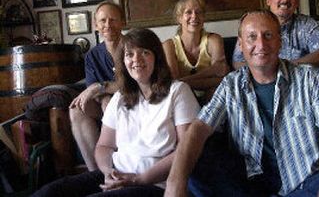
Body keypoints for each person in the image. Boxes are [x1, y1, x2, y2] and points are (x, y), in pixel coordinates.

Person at [165, 10, 319, 197]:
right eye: (251, 37)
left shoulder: (311, 79)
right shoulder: (230, 84)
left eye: (268, 35)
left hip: (306, 182)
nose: (261, 44)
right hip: (249, 186)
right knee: (195, 168)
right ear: (240, 45)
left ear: (280, 42)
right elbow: (198, 129)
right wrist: (174, 184)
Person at [32, 28, 200, 197]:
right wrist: (108, 172)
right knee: (47, 193)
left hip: (155, 184)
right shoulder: (120, 97)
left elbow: (185, 151)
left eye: (145, 52)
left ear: (157, 57)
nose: (136, 59)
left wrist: (138, 180)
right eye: (129, 54)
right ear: (123, 61)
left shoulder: (178, 91)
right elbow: (104, 146)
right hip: (116, 175)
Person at [232, 0, 319, 89]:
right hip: (264, 83)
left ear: (297, 1)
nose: (285, 0)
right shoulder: (251, 24)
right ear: (268, 0)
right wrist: (269, 71)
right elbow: (238, 62)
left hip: (301, 85)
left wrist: (290, 67)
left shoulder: (306, 24)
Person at [69, 0, 125, 171]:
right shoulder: (92, 55)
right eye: (103, 21)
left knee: (109, 103)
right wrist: (101, 92)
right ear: (96, 24)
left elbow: (133, 84)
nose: (108, 25)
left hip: (134, 100)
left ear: (123, 22)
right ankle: (95, 171)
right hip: (104, 102)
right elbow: (92, 89)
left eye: (113, 20)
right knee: (76, 109)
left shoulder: (133, 46)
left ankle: (120, 167)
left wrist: (100, 89)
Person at [162, 0, 229, 104]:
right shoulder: (169, 45)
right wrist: (211, 72)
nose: (194, 16)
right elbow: (174, 85)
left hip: (211, 98)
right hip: (182, 99)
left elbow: (222, 78)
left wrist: (183, 81)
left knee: (215, 92)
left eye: (198, 12)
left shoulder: (214, 40)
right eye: (188, 12)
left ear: (203, 17)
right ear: (179, 18)